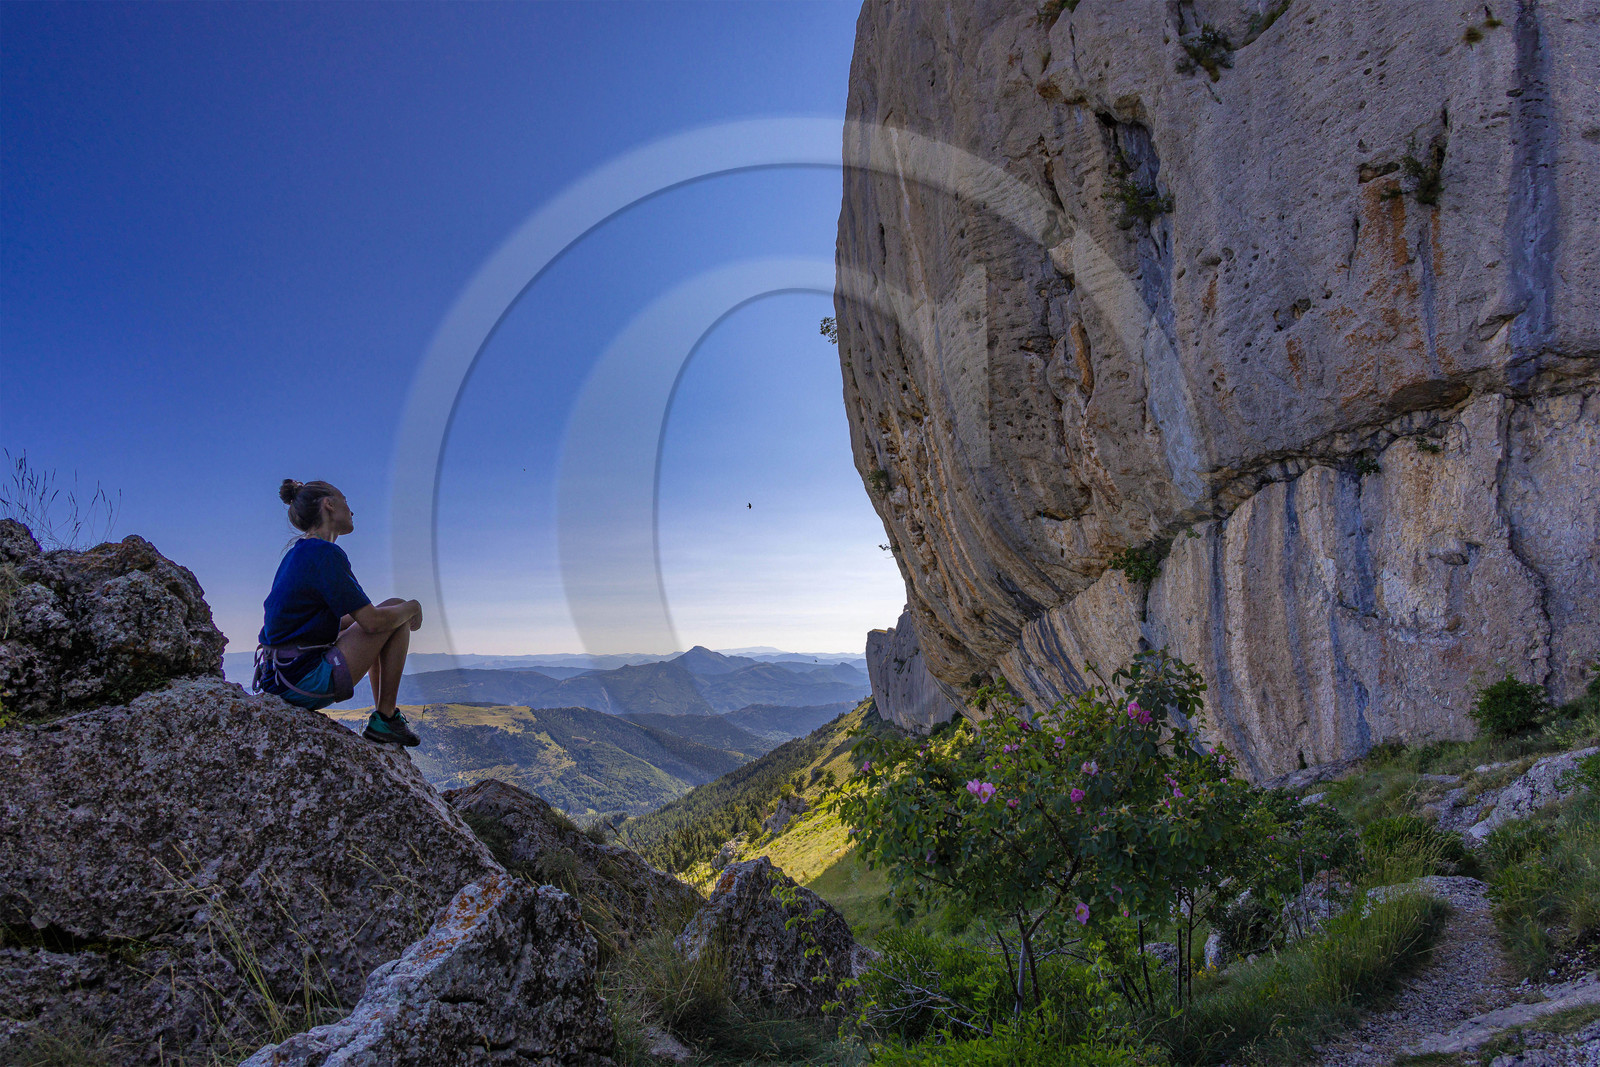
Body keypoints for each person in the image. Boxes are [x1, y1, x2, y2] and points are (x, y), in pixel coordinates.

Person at [254, 479, 423, 746]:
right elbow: (371, 623)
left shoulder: (299, 552)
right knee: (394, 612)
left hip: (279, 676)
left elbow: (333, 621)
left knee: (391, 610)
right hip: (303, 679)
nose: (351, 510)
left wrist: (389, 613)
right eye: (345, 501)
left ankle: (384, 718)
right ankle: (387, 718)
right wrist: (412, 607)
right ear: (329, 504)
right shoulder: (325, 553)